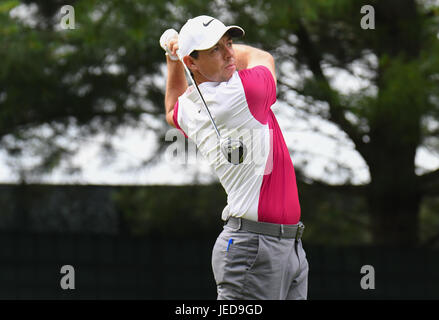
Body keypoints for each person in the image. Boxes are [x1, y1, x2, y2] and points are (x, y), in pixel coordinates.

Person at [160, 15, 308, 300]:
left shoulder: (192, 106)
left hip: (283, 245)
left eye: (229, 43)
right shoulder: (244, 91)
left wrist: (172, 58)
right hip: (255, 248)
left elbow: (171, 109)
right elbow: (261, 57)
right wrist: (180, 55)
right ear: (192, 62)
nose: (229, 53)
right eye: (215, 49)